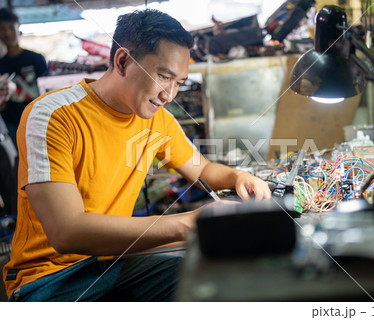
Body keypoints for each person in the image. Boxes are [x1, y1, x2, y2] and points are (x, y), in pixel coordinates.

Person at [2, 9, 271, 302]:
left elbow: (203, 169)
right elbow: (66, 232)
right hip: (50, 280)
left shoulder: (157, 120)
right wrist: (190, 223)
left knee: (221, 280)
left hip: (113, 263)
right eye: (163, 76)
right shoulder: (53, 115)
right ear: (123, 61)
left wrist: (239, 177)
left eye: (179, 82)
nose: (170, 95)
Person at [0, 8, 48, 146]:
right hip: (11, 125)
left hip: (38, 120)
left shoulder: (36, 59)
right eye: (2, 28)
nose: (7, 33)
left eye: (10, 27)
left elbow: (48, 89)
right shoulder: (0, 63)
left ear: (19, 31)